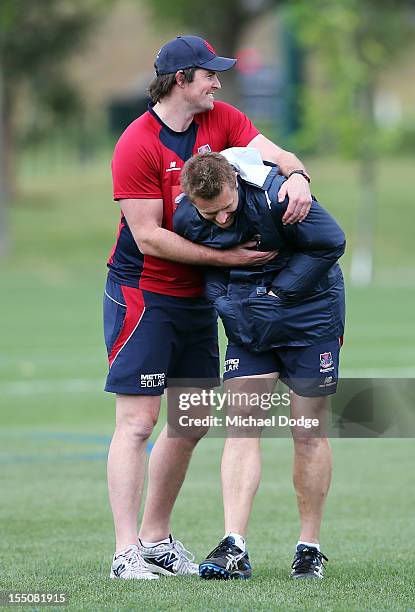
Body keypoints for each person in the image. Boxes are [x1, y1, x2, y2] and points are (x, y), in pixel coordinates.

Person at [104, 34, 313, 580]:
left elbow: (275, 152)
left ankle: (156, 539)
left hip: (199, 297)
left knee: (190, 421)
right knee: (137, 423)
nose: (218, 83)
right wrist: (231, 261)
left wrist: (297, 176)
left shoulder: (222, 120)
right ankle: (126, 552)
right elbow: (148, 236)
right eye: (210, 75)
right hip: (144, 292)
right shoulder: (137, 142)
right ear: (182, 81)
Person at [173, 148, 346, 580]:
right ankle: (234, 545)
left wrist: (279, 295)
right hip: (250, 319)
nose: (222, 221)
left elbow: (331, 242)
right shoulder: (191, 216)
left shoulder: (279, 196)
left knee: (307, 431)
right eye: (210, 215)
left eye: (227, 209)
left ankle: (309, 548)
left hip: (311, 315)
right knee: (242, 424)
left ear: (235, 183)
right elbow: (204, 258)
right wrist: (224, 305)